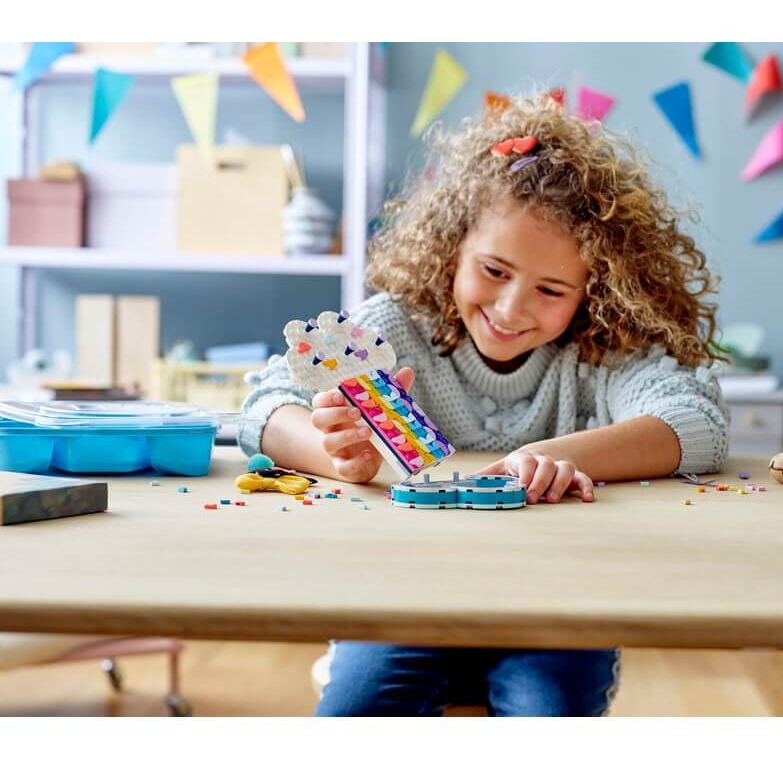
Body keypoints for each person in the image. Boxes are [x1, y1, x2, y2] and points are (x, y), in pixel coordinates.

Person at [238, 94, 729, 716]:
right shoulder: (394, 329)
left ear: (592, 291)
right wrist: (338, 455)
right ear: (452, 250)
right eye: (494, 270)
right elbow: (264, 405)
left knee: (547, 713)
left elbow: (698, 423)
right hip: (403, 598)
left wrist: (546, 455)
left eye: (550, 289)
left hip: (555, 603)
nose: (510, 308)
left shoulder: (602, 353)